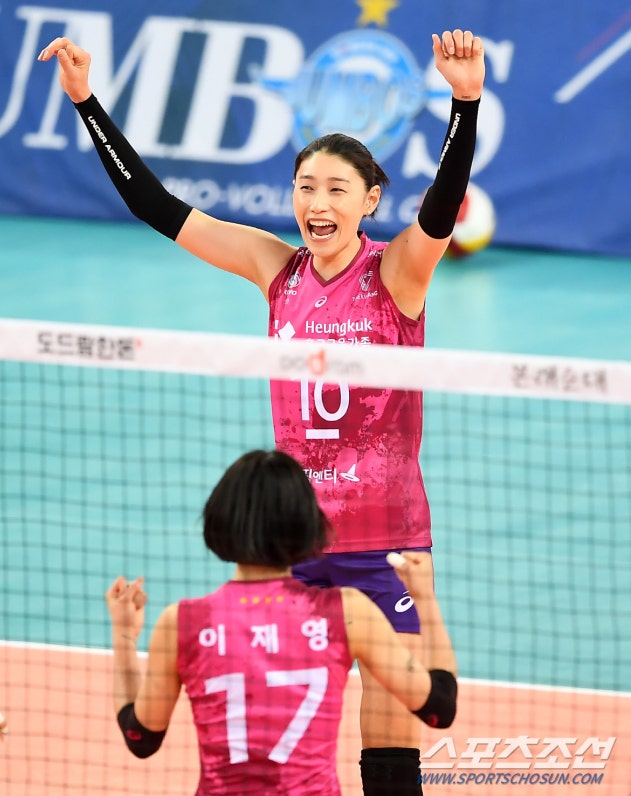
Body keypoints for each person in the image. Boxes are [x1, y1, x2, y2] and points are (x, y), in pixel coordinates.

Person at [39, 29, 483, 793]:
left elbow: (440, 209)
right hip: (290, 540)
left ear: (369, 200)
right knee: (280, 735)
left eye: (336, 189)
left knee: (391, 741)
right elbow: (157, 206)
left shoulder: (398, 275)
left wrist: (464, 102)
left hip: (386, 544)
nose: (317, 203)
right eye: (305, 187)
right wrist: (86, 102)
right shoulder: (274, 269)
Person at [105, 449, 457, 796]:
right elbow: (440, 708)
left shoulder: (182, 622)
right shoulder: (347, 613)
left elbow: (140, 738)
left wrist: (123, 637)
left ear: (219, 521)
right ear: (308, 526)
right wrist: (424, 601)